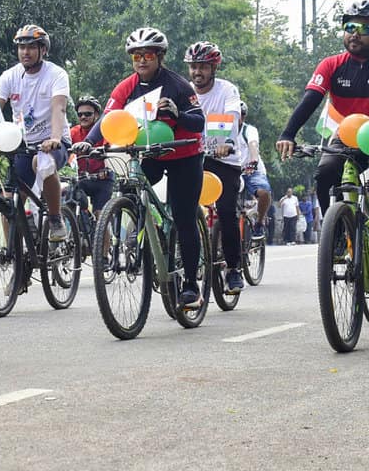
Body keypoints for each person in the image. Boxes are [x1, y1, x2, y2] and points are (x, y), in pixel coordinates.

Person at [276, 0, 369, 319]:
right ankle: (340, 234)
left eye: (365, 28)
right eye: (349, 26)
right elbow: (310, 101)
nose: (355, 34)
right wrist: (288, 133)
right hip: (347, 135)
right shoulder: (331, 65)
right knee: (324, 173)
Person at [73, 27, 205, 307]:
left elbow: (199, 122)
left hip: (185, 154)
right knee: (132, 189)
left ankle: (192, 285)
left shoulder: (179, 85)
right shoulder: (126, 87)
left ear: (160, 56)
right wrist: (89, 142)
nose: (141, 61)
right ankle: (146, 231)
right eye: (136, 56)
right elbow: (108, 119)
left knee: (184, 217)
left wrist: (178, 115)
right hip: (151, 153)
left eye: (147, 55)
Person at [0, 24, 71, 242]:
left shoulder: (56, 74)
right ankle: (16, 258)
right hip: (23, 144)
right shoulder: (9, 77)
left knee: (43, 162)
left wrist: (55, 138)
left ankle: (55, 218)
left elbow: (59, 107)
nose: (25, 52)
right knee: (8, 202)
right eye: (21, 47)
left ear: (43, 50)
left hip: (54, 142)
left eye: (31, 47)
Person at [186, 41, 244, 292]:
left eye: (203, 67)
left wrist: (228, 142)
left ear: (213, 68)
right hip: (193, 155)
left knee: (227, 211)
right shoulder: (185, 90)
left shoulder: (226, 90)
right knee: (182, 209)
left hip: (224, 158)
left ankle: (233, 268)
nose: (197, 72)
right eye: (193, 67)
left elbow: (232, 117)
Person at [68, 96, 115, 217]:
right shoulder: (74, 132)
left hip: (103, 180)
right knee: (72, 206)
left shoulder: (105, 130)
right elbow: (65, 151)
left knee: (100, 217)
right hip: (83, 179)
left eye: (88, 114)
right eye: (80, 114)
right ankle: (82, 223)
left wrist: (106, 167)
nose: (83, 117)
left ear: (97, 115)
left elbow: (109, 149)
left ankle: (99, 231)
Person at [237, 102, 272, 240]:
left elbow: (253, 145)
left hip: (251, 170)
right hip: (231, 170)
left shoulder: (249, 130)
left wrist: (253, 160)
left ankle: (259, 222)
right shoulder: (222, 130)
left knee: (264, 192)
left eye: (241, 115)